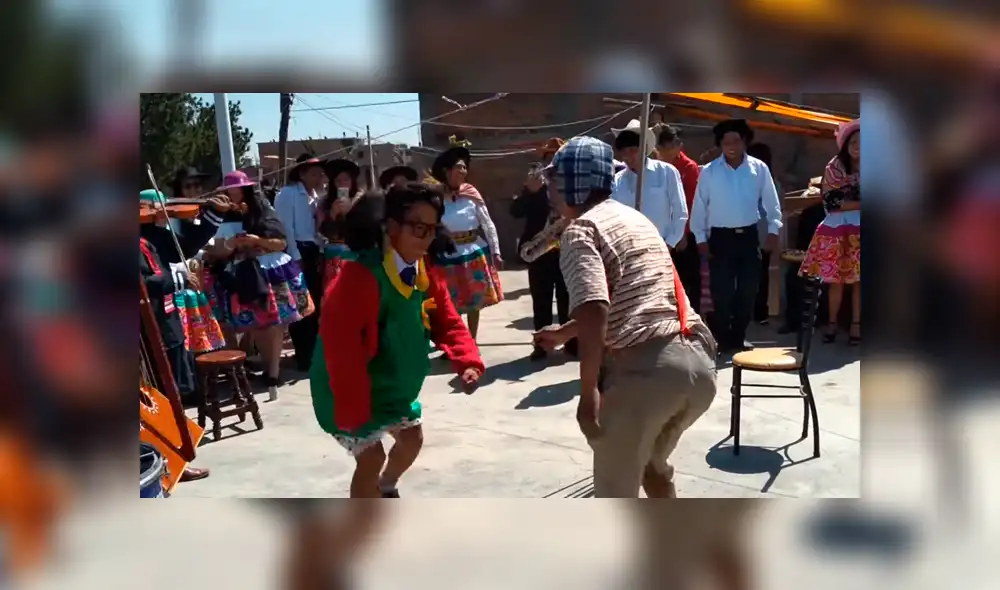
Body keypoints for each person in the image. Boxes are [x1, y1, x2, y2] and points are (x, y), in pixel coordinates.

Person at [533, 136, 718, 498]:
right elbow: (633, 297)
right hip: (697, 367)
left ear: (576, 182)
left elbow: (596, 307)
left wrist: (588, 396)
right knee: (652, 468)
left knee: (614, 494)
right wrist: (566, 332)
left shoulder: (580, 231)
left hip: (648, 375)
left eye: (555, 181)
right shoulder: (633, 218)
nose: (550, 189)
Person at [310, 184, 484, 498]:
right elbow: (341, 352)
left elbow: (447, 319)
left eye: (432, 229)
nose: (428, 238)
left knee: (412, 440)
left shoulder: (423, 270)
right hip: (348, 390)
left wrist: (467, 360)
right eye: (419, 228)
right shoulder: (358, 278)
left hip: (390, 387)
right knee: (371, 456)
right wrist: (354, 414)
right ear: (391, 227)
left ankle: (386, 487)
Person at [140, 190, 233, 482]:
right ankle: (164, 463)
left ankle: (174, 460)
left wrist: (212, 216)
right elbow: (144, 280)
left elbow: (186, 247)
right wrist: (177, 279)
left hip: (166, 325)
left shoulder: (151, 234)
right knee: (155, 399)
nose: (156, 210)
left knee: (174, 393)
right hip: (143, 334)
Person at [203, 171, 315, 401]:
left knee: (274, 324)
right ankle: (252, 371)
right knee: (254, 325)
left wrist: (256, 240)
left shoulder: (263, 212)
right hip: (239, 274)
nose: (233, 195)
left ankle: (272, 374)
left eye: (237, 190)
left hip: (269, 272)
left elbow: (280, 242)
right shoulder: (216, 216)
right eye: (229, 191)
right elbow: (212, 250)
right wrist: (231, 247)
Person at [690, 119, 782, 353]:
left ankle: (739, 337)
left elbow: (771, 202)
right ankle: (722, 338)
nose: (731, 145)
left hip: (749, 238)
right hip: (720, 239)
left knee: (748, 290)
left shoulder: (758, 168)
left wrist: (773, 229)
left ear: (744, 142)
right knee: (722, 293)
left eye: (736, 140)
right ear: (720, 144)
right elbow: (699, 206)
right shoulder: (709, 172)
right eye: (726, 141)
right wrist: (700, 238)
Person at [429, 137, 503, 340]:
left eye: (464, 168)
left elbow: (487, 223)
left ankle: (472, 340)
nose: (463, 171)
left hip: (472, 253)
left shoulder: (471, 193)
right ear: (446, 171)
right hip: (446, 255)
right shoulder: (434, 197)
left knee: (473, 301)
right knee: (450, 302)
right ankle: (456, 340)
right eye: (459, 167)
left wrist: (495, 251)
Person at [799, 119, 861, 345]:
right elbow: (832, 202)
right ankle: (832, 323)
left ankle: (857, 325)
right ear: (845, 144)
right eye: (853, 141)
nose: (858, 146)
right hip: (839, 229)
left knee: (860, 281)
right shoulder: (834, 167)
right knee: (837, 279)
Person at [511, 161, 573, 360]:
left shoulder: (567, 187)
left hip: (566, 250)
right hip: (540, 253)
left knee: (568, 299)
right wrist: (529, 191)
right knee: (541, 301)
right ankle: (541, 345)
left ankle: (572, 343)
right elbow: (515, 211)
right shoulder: (533, 188)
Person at [274, 153, 327, 371]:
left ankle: (315, 351)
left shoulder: (315, 196)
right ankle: (303, 354)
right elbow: (286, 226)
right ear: (302, 173)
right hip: (298, 249)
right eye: (314, 173)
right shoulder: (288, 194)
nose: (318, 177)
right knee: (301, 304)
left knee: (315, 302)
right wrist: (296, 257)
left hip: (314, 249)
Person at [611, 119, 689, 254]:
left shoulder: (666, 172)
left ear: (644, 148)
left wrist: (669, 244)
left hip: (661, 248)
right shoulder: (618, 180)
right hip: (629, 251)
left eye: (633, 150)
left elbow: (680, 213)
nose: (628, 156)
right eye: (624, 152)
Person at [654, 124, 703, 313]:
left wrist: (682, 232)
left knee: (688, 280)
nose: (666, 152)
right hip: (661, 233)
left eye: (670, 147)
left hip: (684, 234)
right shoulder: (656, 168)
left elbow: (690, 202)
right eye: (662, 148)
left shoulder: (688, 168)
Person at [746, 143, 784, 325]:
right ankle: (760, 312)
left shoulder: (745, 179)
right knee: (761, 276)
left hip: (750, 234)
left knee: (746, 276)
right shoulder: (773, 182)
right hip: (764, 235)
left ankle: (751, 312)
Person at [318, 158, 363, 291]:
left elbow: (367, 230)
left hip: (357, 256)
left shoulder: (362, 200)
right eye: (338, 181)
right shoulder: (325, 203)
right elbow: (323, 233)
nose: (342, 184)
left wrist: (351, 213)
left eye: (346, 180)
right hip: (334, 257)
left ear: (352, 181)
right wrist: (332, 214)